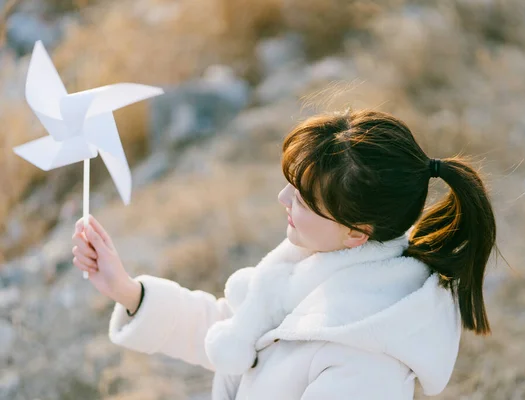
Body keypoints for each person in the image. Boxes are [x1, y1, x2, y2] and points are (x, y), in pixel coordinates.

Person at [72, 109, 497, 399]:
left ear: (355, 233)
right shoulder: (313, 265)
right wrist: (128, 292)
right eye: (290, 185)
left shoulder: (367, 360)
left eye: (303, 200)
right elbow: (235, 335)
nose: (282, 199)